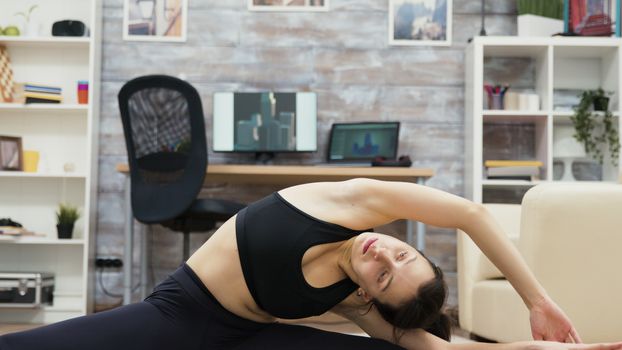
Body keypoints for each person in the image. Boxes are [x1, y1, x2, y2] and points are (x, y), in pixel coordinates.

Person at [1, 178, 621, 350]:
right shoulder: (352, 202)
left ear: (372, 297)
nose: (381, 254)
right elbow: (470, 213)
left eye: (384, 276)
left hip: (247, 337)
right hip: (181, 315)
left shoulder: (351, 298)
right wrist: (537, 301)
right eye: (401, 251)